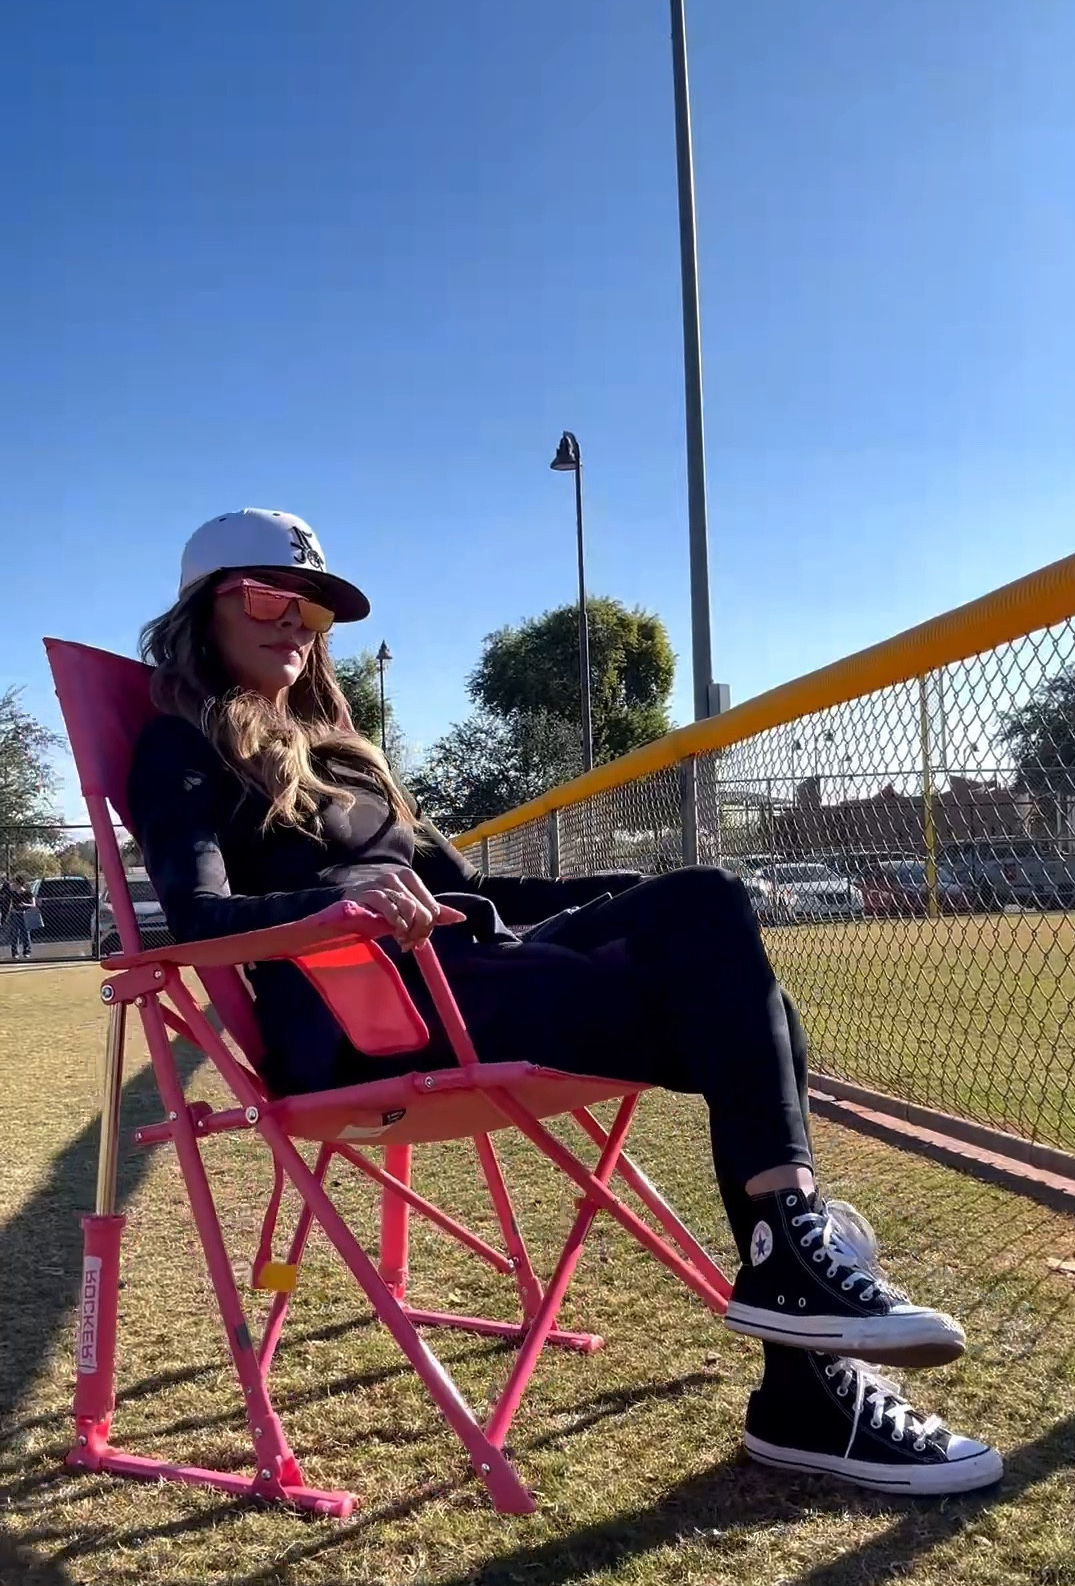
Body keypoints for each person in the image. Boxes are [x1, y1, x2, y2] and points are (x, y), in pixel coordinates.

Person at [129, 508, 1003, 1497]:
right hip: (372, 1023)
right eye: (267, 597)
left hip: (478, 977)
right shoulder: (181, 747)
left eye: (314, 609)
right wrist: (343, 895)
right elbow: (198, 918)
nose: (295, 621)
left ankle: (791, 1286)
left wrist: (620, 900)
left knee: (707, 911)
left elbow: (483, 895)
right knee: (740, 1019)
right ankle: (803, 1359)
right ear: (205, 611)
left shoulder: (344, 756)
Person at [4, 875, 35, 961]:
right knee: (15, 934)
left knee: (25, 933)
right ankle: (15, 953)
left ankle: (26, 951)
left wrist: (25, 905)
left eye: (15, 883)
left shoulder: (28, 893)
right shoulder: (13, 894)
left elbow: (33, 905)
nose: (13, 884)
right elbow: (10, 904)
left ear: (19, 884)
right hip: (15, 914)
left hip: (24, 914)